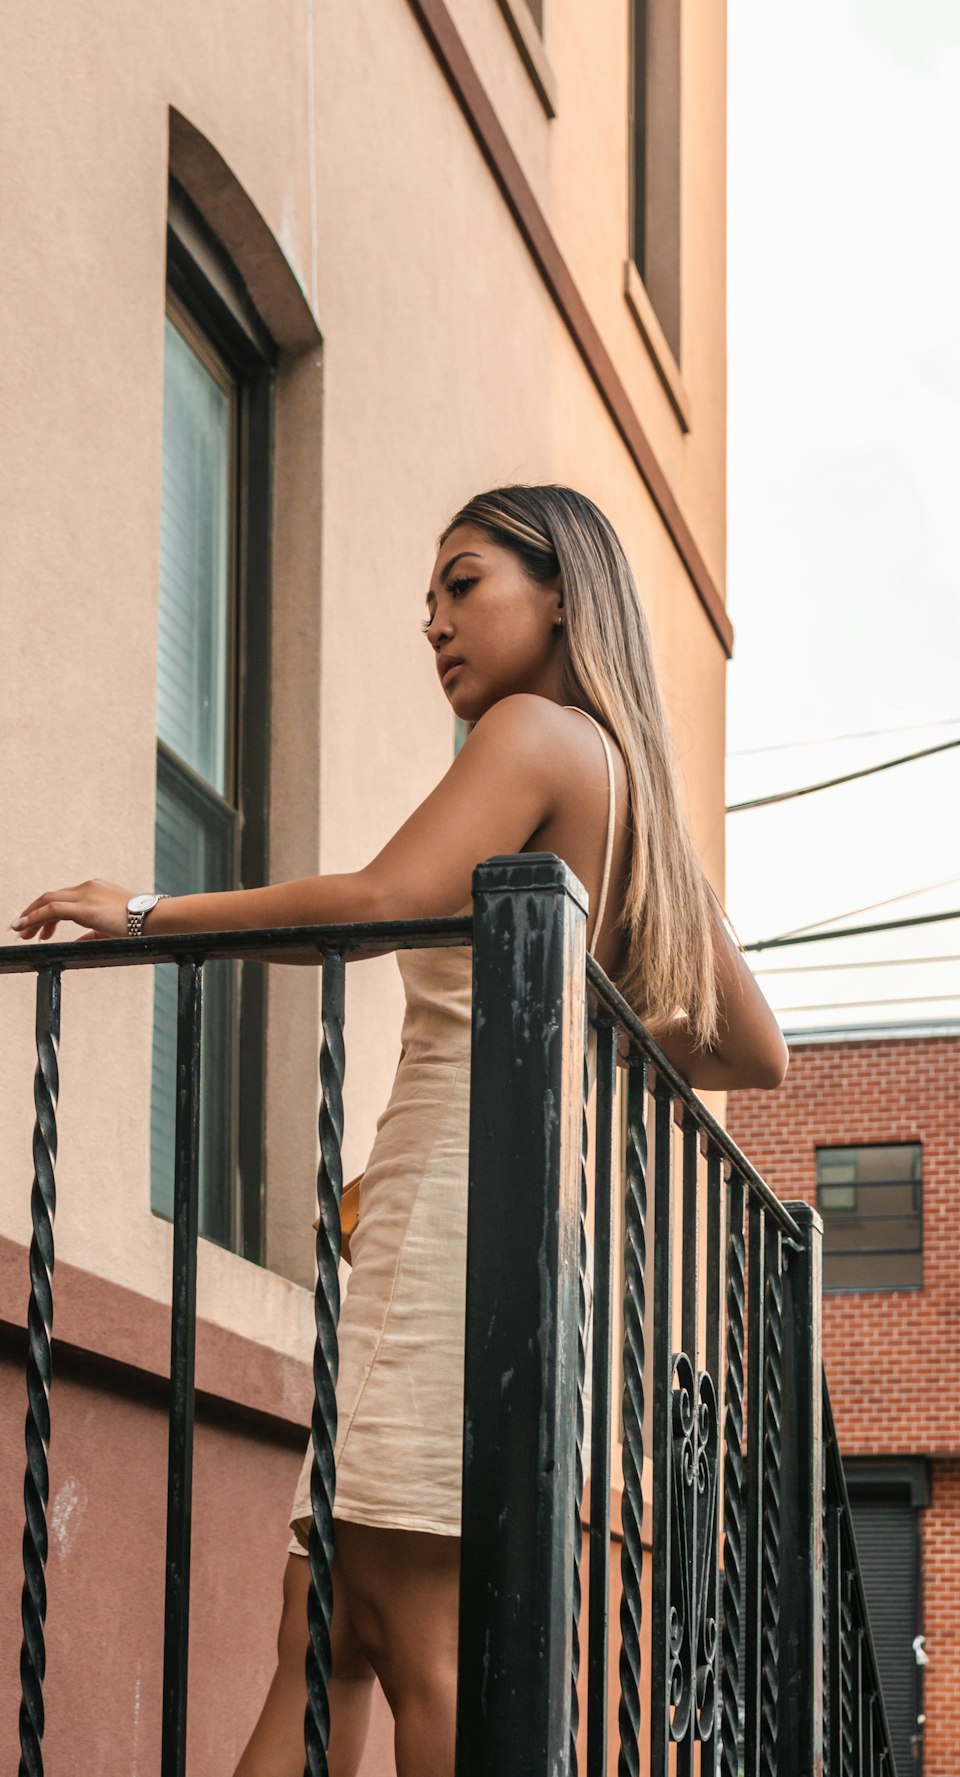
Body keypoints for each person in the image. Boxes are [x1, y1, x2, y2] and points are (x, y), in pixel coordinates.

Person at [12, 484, 788, 1776]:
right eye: (429, 598)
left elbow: (377, 897)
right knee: (326, 1632)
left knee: (386, 1638)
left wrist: (144, 911)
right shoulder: (624, 783)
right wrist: (586, 1012)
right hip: (511, 1232)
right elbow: (752, 1043)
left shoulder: (533, 733)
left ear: (560, 593)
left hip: (447, 1231)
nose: (433, 622)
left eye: (463, 583)